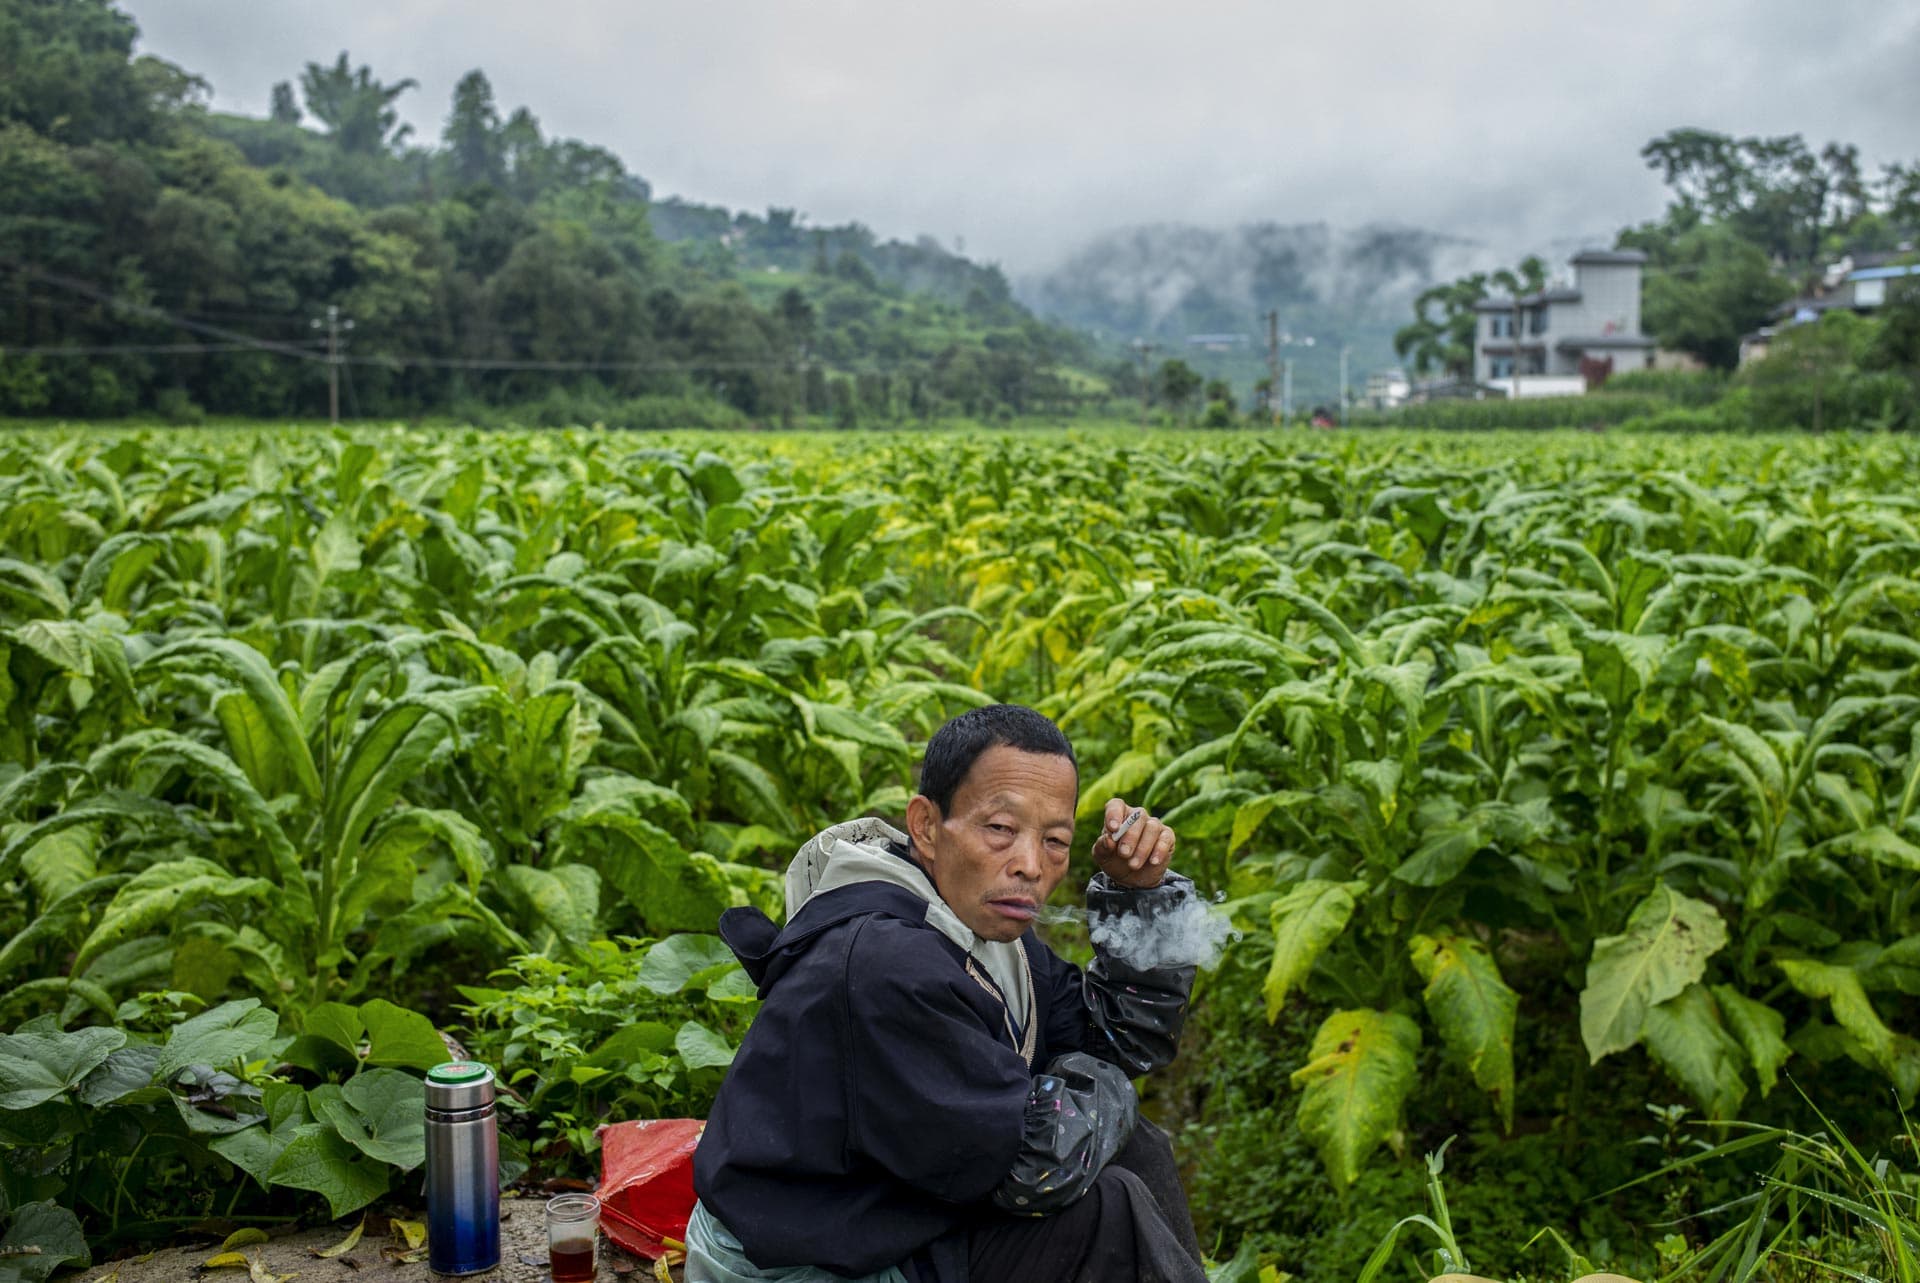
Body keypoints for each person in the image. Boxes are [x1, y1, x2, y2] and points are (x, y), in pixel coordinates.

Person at [687, 704, 1210, 1283]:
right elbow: (1037, 1166)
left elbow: (1112, 1040)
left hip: (884, 1213)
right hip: (800, 1263)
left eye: (1056, 840)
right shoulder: (886, 963)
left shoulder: (975, 928)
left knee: (1133, 1147)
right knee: (1105, 1209)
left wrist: (1140, 895)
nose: (1031, 866)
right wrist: (1108, 1090)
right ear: (928, 827)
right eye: (1001, 830)